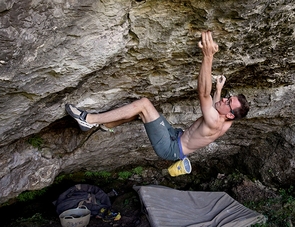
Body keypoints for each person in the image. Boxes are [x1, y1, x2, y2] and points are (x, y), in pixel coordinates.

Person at [66, 31, 249, 161]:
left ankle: (89, 119)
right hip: (176, 137)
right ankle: (108, 124)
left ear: (231, 113)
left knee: (144, 104)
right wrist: (219, 90)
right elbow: (216, 104)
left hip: (171, 148)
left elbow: (203, 93)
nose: (224, 99)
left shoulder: (214, 120)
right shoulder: (228, 121)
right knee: (142, 114)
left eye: (228, 101)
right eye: (227, 96)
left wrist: (208, 56)